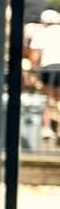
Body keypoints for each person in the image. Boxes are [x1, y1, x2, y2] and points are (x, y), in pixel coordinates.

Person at [38, 8, 60, 139]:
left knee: (49, 98)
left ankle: (46, 128)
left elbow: (36, 55)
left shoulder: (43, 33)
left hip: (48, 67)